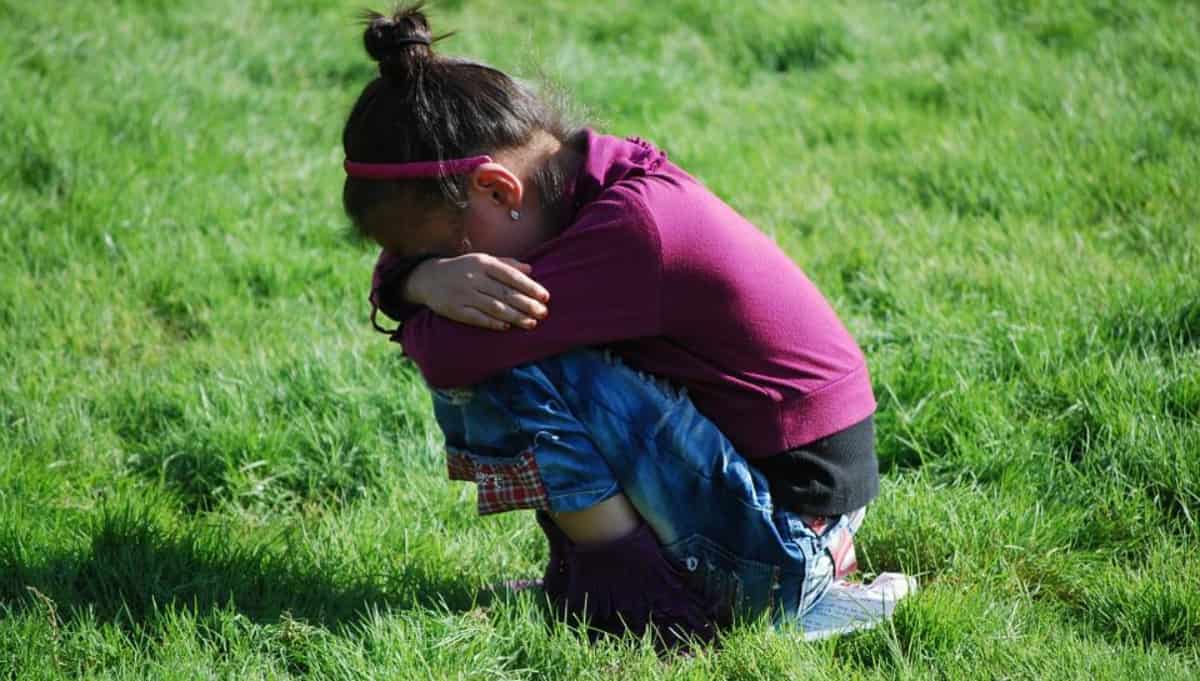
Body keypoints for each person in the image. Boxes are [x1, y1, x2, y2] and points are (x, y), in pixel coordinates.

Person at [343, 5, 879, 647]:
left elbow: (451, 357)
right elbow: (413, 293)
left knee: (507, 354)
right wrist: (418, 281)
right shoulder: (585, 181)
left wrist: (417, 297)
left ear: (497, 191)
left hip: (783, 546)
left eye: (444, 251)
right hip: (788, 515)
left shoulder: (635, 232)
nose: (449, 269)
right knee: (500, 326)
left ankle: (643, 600)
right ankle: (607, 575)